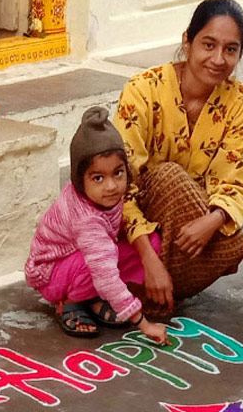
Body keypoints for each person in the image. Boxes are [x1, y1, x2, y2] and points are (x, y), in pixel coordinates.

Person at [114, 0, 243, 316]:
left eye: (230, 49)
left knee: (235, 244)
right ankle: (149, 276)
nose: (218, 59)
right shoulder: (143, 90)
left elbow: (239, 178)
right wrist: (151, 258)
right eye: (208, 44)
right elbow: (118, 184)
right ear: (187, 41)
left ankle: (149, 290)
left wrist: (213, 219)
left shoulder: (239, 101)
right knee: (169, 177)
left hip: (191, 233)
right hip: (135, 228)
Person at [25, 106, 168, 344]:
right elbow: (104, 273)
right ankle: (69, 303)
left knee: (149, 242)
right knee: (102, 260)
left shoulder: (103, 197)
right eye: (98, 178)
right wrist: (143, 323)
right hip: (50, 275)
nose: (111, 186)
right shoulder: (86, 219)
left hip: (80, 259)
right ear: (80, 180)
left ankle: (91, 297)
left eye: (118, 173)